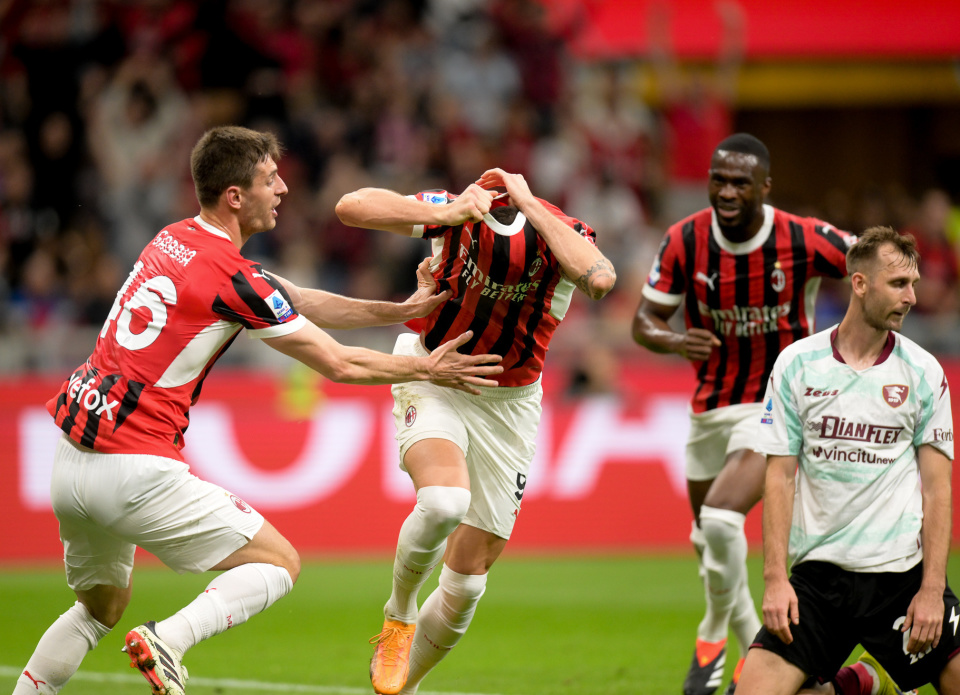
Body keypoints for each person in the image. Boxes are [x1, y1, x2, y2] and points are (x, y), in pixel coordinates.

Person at [11, 126, 504, 695]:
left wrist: (402, 310)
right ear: (235, 196)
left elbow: (299, 300)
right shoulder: (233, 278)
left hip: (70, 460)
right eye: (270, 180)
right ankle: (169, 639)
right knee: (277, 564)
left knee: (98, 609)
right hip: (133, 466)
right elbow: (339, 363)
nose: (283, 189)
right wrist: (427, 368)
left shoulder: (172, 239)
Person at [334, 167, 616, 695]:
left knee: (467, 582)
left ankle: (404, 688)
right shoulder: (454, 213)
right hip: (436, 373)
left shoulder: (562, 232)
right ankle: (399, 615)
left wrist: (532, 205)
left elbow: (599, 280)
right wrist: (444, 212)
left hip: (510, 405)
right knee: (444, 502)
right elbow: (352, 206)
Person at [631, 133, 856, 695]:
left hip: (775, 404)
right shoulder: (684, 239)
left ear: (764, 187)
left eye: (739, 182)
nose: (727, 191)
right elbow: (643, 321)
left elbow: (874, 265)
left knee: (720, 518)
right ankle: (732, 639)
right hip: (710, 408)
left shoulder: (802, 237)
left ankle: (733, 644)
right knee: (706, 540)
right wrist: (674, 340)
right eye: (719, 180)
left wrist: (846, 345)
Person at [737, 226, 960, 695]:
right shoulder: (797, 364)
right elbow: (779, 478)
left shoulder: (924, 371)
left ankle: (867, 676)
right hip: (820, 580)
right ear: (860, 283)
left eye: (913, 284)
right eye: (898, 284)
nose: (912, 297)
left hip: (901, 577)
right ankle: (861, 682)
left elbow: (938, 488)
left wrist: (932, 590)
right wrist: (775, 580)